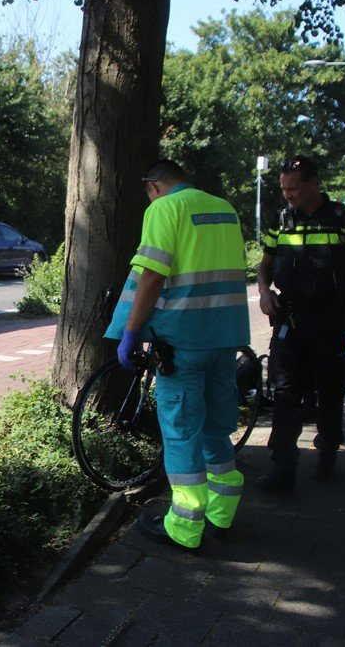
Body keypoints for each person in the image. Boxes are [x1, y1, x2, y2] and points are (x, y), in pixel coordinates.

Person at [105, 160, 251, 550]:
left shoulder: (164, 208)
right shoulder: (224, 208)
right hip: (226, 337)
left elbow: (151, 275)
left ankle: (184, 527)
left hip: (183, 341)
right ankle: (223, 512)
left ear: (153, 186)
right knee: (217, 426)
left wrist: (130, 333)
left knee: (182, 432)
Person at [257, 157, 345, 491]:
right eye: (283, 189)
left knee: (330, 391)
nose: (287, 195)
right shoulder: (280, 220)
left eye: (292, 188)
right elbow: (264, 268)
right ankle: (283, 467)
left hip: (331, 320)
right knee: (284, 392)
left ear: (313, 184)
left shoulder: (341, 219)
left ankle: (327, 453)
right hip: (290, 319)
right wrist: (265, 292)